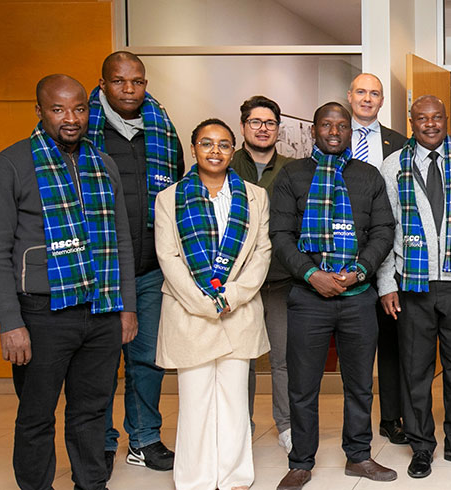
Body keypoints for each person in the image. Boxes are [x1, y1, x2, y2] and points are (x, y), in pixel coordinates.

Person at [0, 74, 136, 490]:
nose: (71, 118)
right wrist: (10, 322)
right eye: (58, 109)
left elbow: (121, 239)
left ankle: (90, 484)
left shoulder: (103, 165)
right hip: (41, 315)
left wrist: (127, 307)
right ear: (39, 111)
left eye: (80, 109)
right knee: (36, 415)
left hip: (101, 310)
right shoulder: (8, 165)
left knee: (91, 411)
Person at [270, 102, 399, 489]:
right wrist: (312, 274)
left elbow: (383, 231)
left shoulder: (368, 176)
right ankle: (301, 462)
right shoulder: (292, 176)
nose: (334, 131)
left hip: (358, 295)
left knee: (359, 382)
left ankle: (358, 456)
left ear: (350, 132)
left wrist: (360, 270)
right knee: (303, 384)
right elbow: (280, 235)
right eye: (326, 124)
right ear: (314, 130)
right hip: (308, 297)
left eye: (341, 125)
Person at [377, 96, 451, 478]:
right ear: (411, 122)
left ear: (448, 120)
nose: (430, 124)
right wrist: (385, 284)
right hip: (412, 284)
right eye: (421, 118)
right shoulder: (393, 166)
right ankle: (421, 446)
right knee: (416, 370)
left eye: (437, 117)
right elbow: (385, 228)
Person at [155, 118, 272, 490]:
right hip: (191, 314)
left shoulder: (255, 196)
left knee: (235, 401)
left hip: (238, 311)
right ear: (194, 149)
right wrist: (205, 302)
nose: (215, 151)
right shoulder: (169, 198)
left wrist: (232, 296)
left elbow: (261, 253)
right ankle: (195, 479)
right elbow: (168, 257)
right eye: (207, 143)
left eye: (223, 145)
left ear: (232, 150)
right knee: (195, 402)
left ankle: (236, 474)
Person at [88, 51, 182, 473]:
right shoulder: (82, 129)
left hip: (148, 267)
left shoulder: (162, 129)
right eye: (120, 81)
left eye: (138, 82)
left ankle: (144, 439)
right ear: (104, 83)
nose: (130, 89)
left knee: (146, 358)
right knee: (101, 362)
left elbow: (177, 191)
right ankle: (101, 442)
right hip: (98, 270)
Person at [346, 72, 411, 446]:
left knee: (392, 342)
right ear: (349, 95)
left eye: (375, 94)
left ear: (382, 101)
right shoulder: (333, 135)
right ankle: (354, 422)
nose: (367, 99)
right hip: (341, 257)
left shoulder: (399, 144)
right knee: (354, 346)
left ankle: (391, 418)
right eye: (361, 92)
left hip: (389, 252)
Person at [229, 95, 295, 453]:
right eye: (255, 122)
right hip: (237, 281)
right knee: (243, 358)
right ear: (243, 127)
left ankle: (285, 425)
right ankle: (242, 424)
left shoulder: (292, 167)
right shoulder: (226, 163)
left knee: (283, 357)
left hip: (281, 279)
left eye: (269, 123)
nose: (263, 128)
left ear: (278, 129)